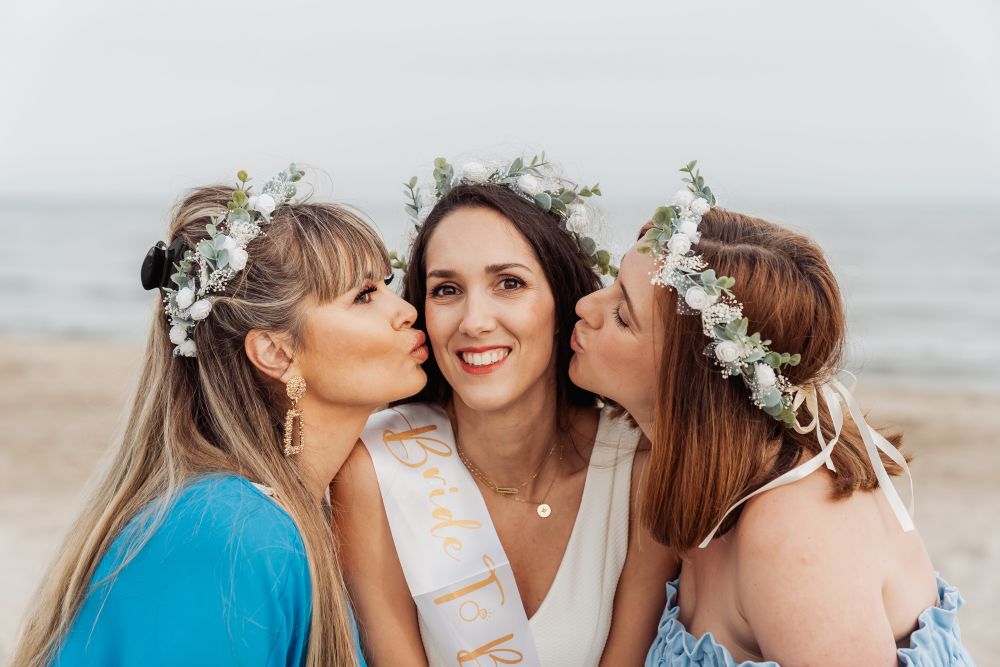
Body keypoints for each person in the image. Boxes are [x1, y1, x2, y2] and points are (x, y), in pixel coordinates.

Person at [13, 165, 429, 667]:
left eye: (386, 284)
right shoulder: (228, 532)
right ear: (277, 353)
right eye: (364, 296)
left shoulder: (291, 515)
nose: (405, 308)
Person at [569, 161, 975, 666]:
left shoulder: (795, 534)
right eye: (611, 284)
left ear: (690, 380)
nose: (586, 305)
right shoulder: (699, 476)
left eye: (623, 315)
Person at [334, 155, 677, 666]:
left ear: (563, 300)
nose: (474, 321)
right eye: (446, 290)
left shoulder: (642, 470)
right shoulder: (375, 469)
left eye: (509, 284)